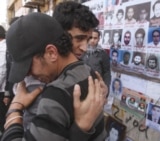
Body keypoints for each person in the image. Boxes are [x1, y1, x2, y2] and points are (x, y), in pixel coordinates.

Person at [1, 12, 106, 141]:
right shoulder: (89, 72)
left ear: (51, 53)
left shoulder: (56, 94)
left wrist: (15, 107)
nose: (27, 74)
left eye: (28, 66)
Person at [0, 25, 7, 136]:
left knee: (3, 120)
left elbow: (1, 71)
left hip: (2, 91)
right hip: (7, 90)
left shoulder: (2, 48)